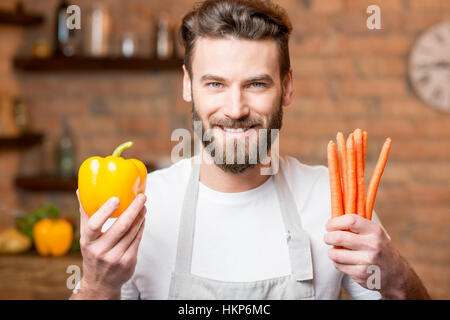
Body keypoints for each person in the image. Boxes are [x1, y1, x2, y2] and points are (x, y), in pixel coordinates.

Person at [70, 0, 430, 300]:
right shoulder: (144, 204)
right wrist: (95, 285)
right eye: (215, 84)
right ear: (187, 85)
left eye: (256, 84)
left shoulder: (332, 201)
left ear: (286, 88)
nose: (236, 108)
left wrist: (396, 274)